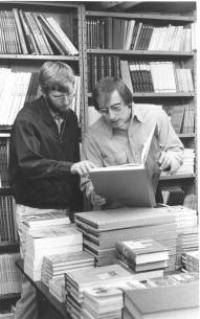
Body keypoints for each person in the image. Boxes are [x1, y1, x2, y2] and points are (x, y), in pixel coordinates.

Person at [9, 61, 95, 319]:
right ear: (44, 91)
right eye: (59, 94)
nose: (67, 99)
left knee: (61, 283)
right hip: (35, 209)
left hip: (64, 207)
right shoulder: (27, 118)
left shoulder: (70, 117)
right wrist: (70, 168)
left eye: (70, 92)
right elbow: (28, 164)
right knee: (34, 283)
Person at [82, 77, 184, 208]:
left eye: (116, 108)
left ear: (129, 102)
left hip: (153, 200)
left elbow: (176, 151)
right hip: (114, 209)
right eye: (104, 111)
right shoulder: (92, 136)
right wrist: (93, 194)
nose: (111, 116)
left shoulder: (155, 116)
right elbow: (88, 180)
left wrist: (169, 160)